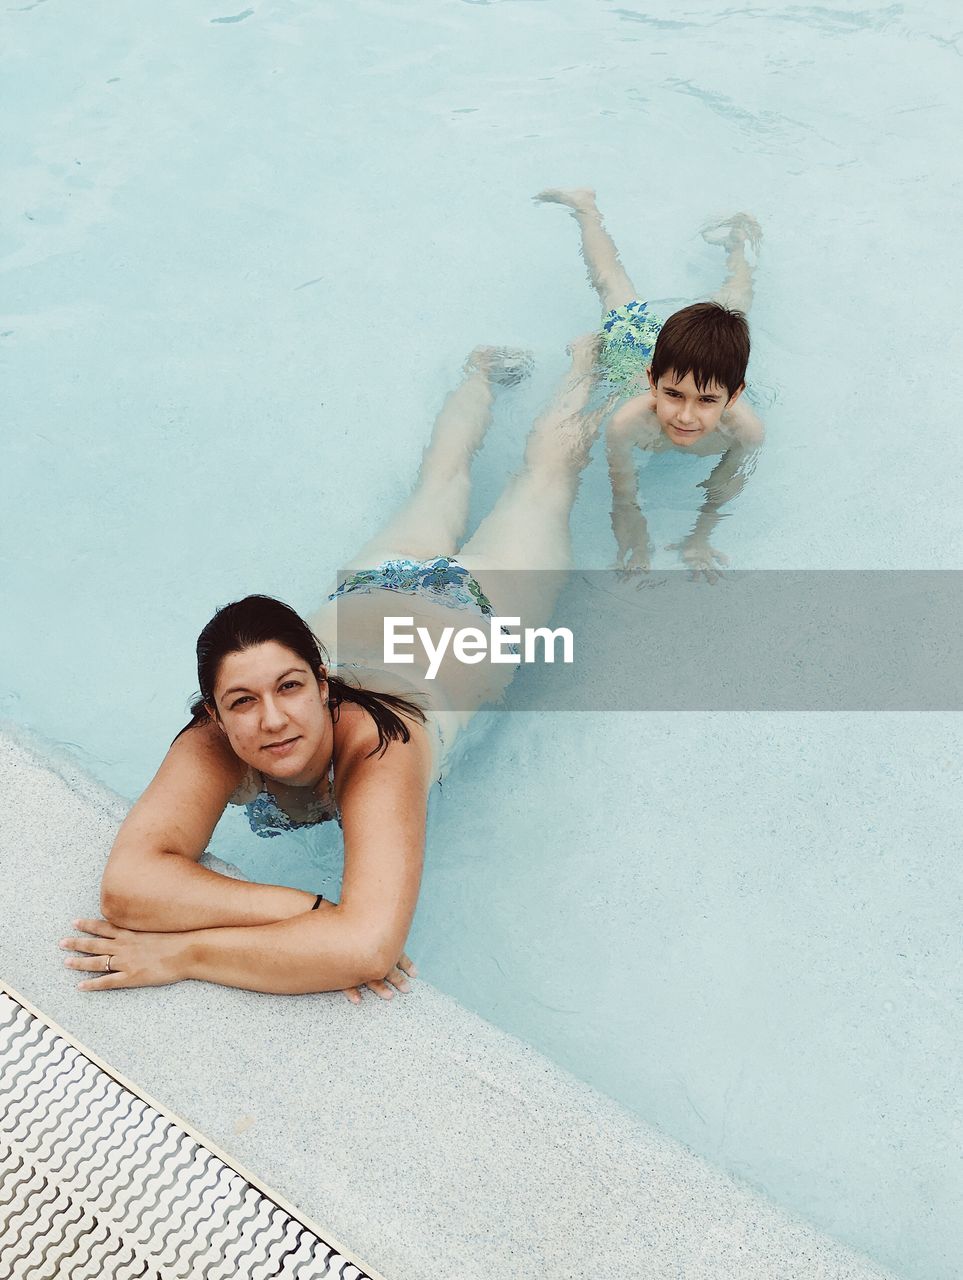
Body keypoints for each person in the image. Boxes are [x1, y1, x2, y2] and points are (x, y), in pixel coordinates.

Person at [60, 339, 604, 1002]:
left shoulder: (377, 743)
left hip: (476, 616)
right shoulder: (213, 740)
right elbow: (128, 889)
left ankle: (580, 365)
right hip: (373, 593)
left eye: (290, 686)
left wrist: (186, 953)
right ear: (211, 715)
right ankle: (480, 377)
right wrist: (308, 914)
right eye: (241, 702)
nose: (272, 718)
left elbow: (369, 945)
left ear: (321, 683)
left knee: (545, 481)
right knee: (440, 483)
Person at [536, 188, 765, 582]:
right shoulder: (626, 423)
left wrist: (700, 537)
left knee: (737, 303)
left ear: (734, 395)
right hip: (634, 350)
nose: (685, 415)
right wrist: (633, 530)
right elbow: (624, 495)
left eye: (707, 400)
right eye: (673, 395)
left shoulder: (746, 432)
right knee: (611, 284)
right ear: (653, 382)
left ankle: (737, 242)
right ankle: (586, 207)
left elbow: (722, 486)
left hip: (698, 364)